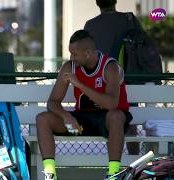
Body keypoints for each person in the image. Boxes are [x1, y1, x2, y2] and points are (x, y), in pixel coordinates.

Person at [36, 30, 132, 180]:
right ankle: (50, 174)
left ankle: (113, 174)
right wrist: (66, 116)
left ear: (87, 53)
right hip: (80, 124)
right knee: (42, 119)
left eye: (74, 54)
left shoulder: (110, 67)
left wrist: (79, 84)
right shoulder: (69, 67)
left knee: (116, 116)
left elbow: (112, 104)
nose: (71, 58)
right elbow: (52, 102)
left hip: (107, 122)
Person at [84, 0, 142, 155]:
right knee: (130, 125)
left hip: (101, 84)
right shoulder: (129, 20)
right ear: (115, 1)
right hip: (128, 79)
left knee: (109, 119)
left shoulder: (90, 25)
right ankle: (134, 160)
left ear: (97, 2)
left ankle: (113, 164)